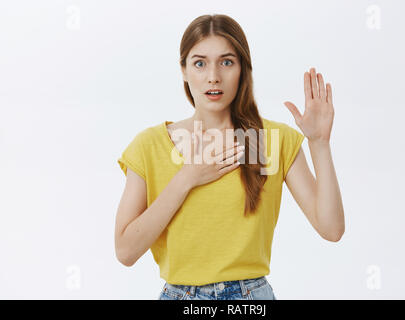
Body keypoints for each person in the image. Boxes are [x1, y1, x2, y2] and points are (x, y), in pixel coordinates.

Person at [114, 14, 345, 300]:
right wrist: (187, 177)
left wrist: (319, 143)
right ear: (184, 70)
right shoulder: (150, 145)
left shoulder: (273, 140)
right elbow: (125, 251)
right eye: (200, 63)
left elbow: (332, 229)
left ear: (242, 69)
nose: (213, 76)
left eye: (226, 62)